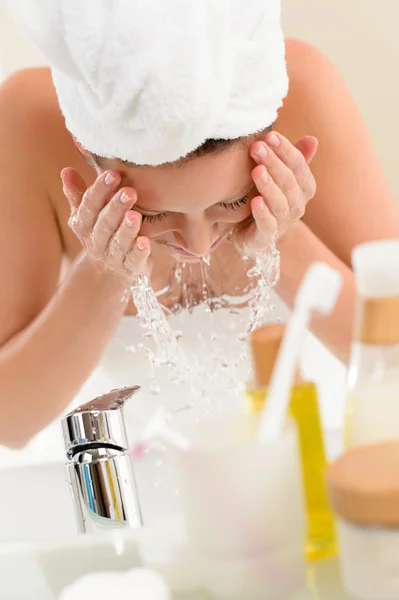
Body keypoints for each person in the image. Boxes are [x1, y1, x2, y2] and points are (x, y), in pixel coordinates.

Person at [0, 0, 398, 449]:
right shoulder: (28, 118)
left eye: (232, 202)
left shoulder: (302, 85)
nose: (199, 244)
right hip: (155, 478)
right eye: (151, 215)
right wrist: (106, 270)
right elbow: (10, 423)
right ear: (84, 150)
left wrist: (279, 236)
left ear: (270, 135)